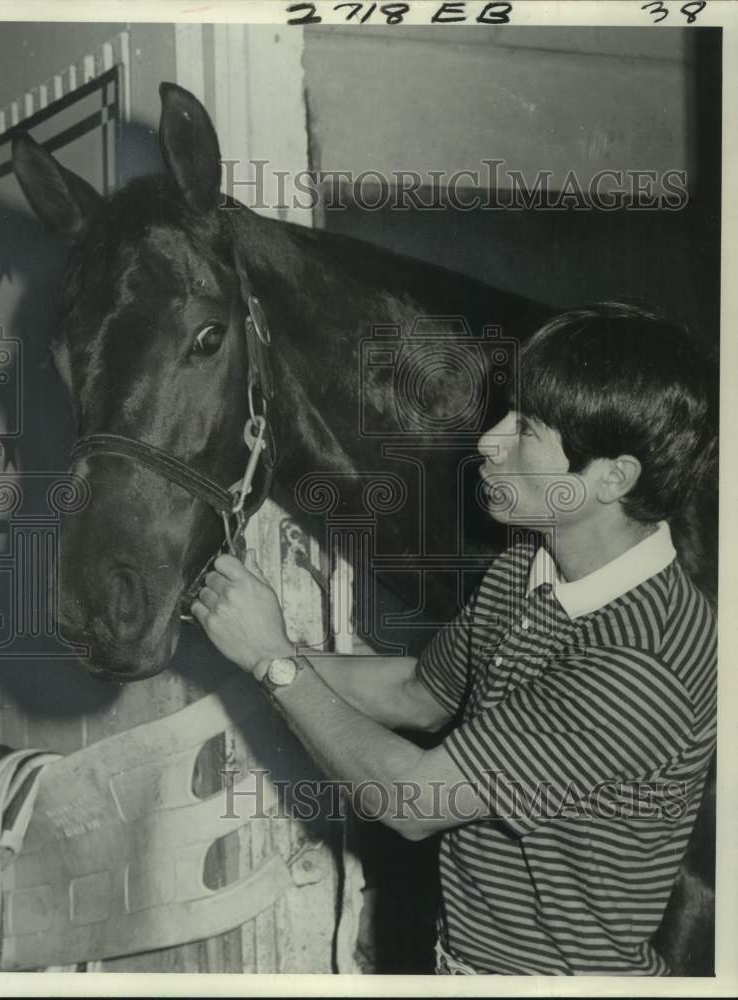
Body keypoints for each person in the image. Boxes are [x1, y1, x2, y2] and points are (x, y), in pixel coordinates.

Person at [190, 302, 717, 976]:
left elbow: (411, 798)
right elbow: (417, 694)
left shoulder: (641, 664)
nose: (488, 442)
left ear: (610, 477)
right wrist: (226, 637)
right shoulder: (529, 564)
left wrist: (273, 660)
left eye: (525, 428)